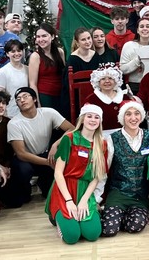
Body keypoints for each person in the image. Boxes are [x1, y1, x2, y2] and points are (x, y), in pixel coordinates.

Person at [45, 104, 108, 244]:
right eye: (89, 116)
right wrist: (69, 201)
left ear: (100, 121)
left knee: (92, 234)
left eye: (97, 117)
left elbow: (96, 176)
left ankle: (72, 218)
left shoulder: (102, 144)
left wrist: (84, 200)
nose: (93, 120)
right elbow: (58, 173)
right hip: (65, 188)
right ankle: (57, 216)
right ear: (82, 119)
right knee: (72, 237)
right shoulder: (70, 138)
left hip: (85, 190)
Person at [7, 87, 75, 206]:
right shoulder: (14, 123)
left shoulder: (49, 112)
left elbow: (72, 129)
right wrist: (48, 162)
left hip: (45, 153)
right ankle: (25, 190)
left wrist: (55, 145)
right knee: (22, 176)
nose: (22, 100)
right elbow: (21, 154)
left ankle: (44, 183)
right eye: (18, 99)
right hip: (26, 159)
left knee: (49, 192)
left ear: (34, 99)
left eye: (25, 96)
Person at [100, 101, 149, 237]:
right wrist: (97, 198)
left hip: (140, 196)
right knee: (109, 229)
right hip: (118, 193)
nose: (133, 118)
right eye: (128, 114)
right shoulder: (112, 139)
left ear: (141, 116)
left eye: (137, 114)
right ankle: (111, 214)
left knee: (134, 226)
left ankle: (120, 216)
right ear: (122, 118)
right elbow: (103, 171)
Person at [27, 23, 66, 112]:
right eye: (38, 37)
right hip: (45, 96)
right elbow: (33, 83)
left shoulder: (60, 52)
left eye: (44, 36)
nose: (41, 40)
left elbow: (63, 74)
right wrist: (38, 104)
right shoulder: (35, 57)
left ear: (52, 37)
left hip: (61, 95)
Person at [84, 67, 133, 134]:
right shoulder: (92, 100)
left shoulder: (125, 97)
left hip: (125, 134)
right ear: (98, 82)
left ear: (116, 81)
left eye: (110, 78)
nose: (107, 81)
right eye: (103, 79)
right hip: (100, 135)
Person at [0, 39, 28, 118]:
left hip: (27, 112)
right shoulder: (2, 72)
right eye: (13, 51)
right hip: (10, 114)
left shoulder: (28, 69)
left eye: (19, 51)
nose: (16, 54)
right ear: (7, 54)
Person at [121, 18, 149, 94]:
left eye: (147, 26)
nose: (145, 29)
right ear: (137, 30)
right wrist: (138, 60)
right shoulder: (129, 46)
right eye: (141, 26)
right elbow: (123, 69)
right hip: (135, 86)